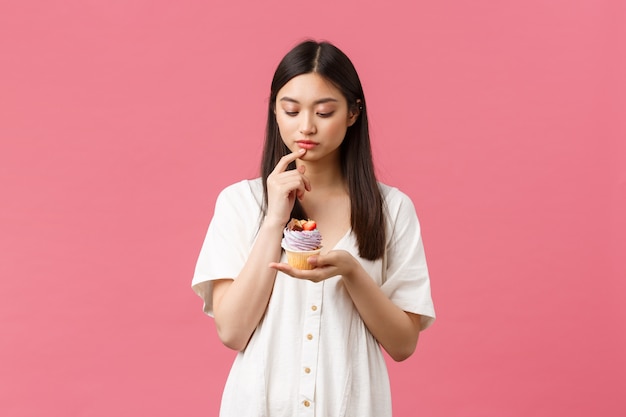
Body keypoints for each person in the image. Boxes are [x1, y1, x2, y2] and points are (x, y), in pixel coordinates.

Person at [192, 39, 436, 417]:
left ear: (353, 113)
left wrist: (352, 272)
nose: (305, 126)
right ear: (275, 111)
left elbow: (403, 344)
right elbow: (232, 332)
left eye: (324, 112)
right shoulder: (239, 203)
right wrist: (274, 220)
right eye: (291, 110)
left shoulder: (392, 210)